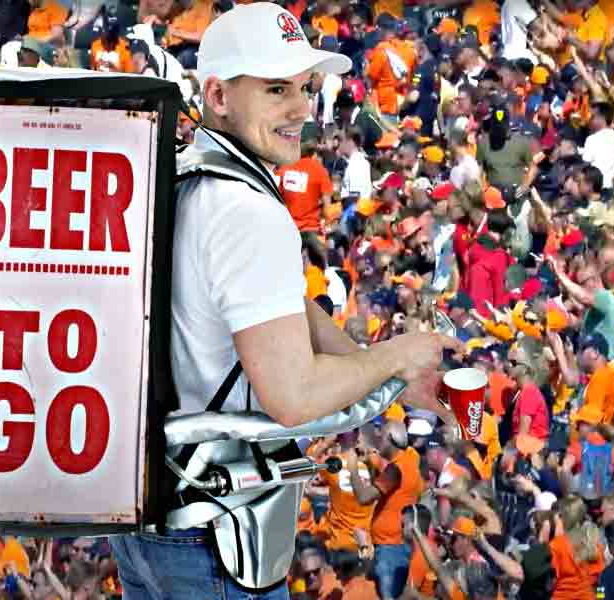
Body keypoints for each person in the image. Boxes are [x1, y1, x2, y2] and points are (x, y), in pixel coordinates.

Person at [110, 4, 459, 598]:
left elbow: (281, 307)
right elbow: (292, 397)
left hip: (151, 529)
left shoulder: (186, 177)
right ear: (218, 96)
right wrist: (401, 353)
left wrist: (381, 372)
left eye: (305, 87)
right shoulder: (248, 211)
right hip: (215, 537)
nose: (301, 108)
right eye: (276, 89)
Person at [345, 420, 425, 599]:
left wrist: (352, 470)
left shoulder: (396, 470)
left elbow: (364, 498)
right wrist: (370, 462)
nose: (377, 440)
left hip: (390, 548)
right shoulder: (410, 460)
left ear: (390, 438)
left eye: (380, 436)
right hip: (395, 545)